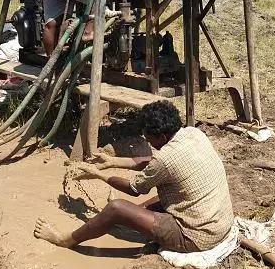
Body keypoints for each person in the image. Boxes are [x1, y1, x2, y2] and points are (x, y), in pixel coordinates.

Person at [34, 100, 234, 253]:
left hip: (197, 238)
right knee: (162, 198)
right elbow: (155, 162)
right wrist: (114, 162)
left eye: (149, 137)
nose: (147, 140)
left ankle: (65, 240)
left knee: (116, 207)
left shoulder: (164, 159)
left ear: (162, 137)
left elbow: (134, 188)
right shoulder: (192, 133)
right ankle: (124, 219)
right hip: (218, 223)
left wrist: (98, 174)